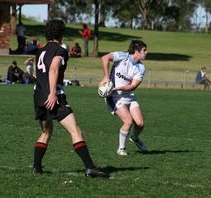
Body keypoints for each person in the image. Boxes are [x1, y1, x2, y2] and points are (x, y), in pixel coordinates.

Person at [33, 19, 108, 178]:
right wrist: (53, 93)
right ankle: (90, 168)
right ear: (61, 34)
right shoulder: (60, 50)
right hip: (54, 97)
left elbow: (38, 73)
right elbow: (53, 69)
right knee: (75, 130)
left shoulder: (40, 51)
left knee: (46, 132)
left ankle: (36, 168)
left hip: (38, 95)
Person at [99, 40, 148, 156]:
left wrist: (119, 88)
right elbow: (104, 58)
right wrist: (106, 77)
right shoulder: (122, 56)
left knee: (140, 124)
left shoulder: (141, 68)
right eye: (144, 50)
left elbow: (132, 86)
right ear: (136, 51)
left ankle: (135, 138)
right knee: (128, 121)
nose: (146, 52)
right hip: (114, 97)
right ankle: (121, 149)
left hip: (128, 95)